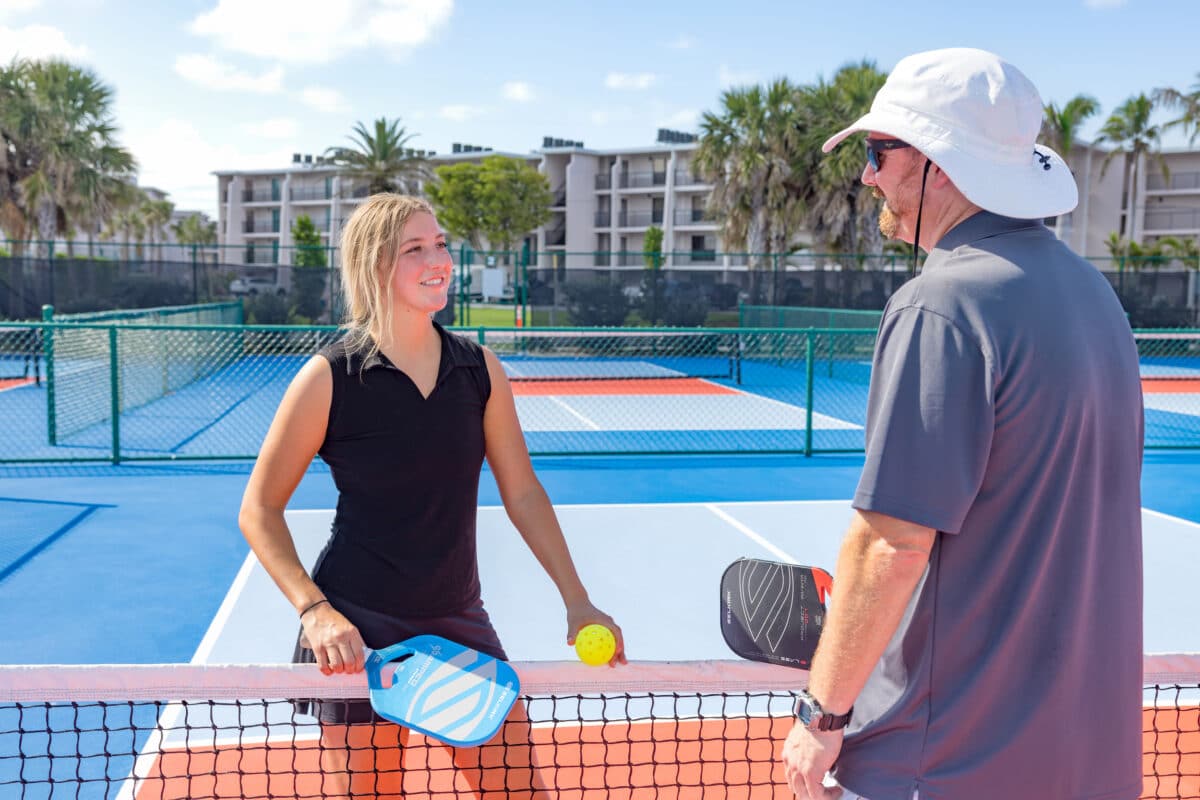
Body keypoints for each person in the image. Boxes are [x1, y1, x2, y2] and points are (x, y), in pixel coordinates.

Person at [781, 48, 1144, 800]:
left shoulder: (939, 305)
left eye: (880, 153)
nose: (868, 175)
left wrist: (821, 714)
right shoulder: (1094, 296)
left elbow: (891, 544)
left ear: (938, 166)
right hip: (1085, 759)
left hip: (945, 761)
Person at [239, 193, 625, 798]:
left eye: (440, 243)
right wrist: (316, 611)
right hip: (357, 629)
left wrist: (578, 601)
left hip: (458, 619)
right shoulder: (328, 377)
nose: (438, 258)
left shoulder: (478, 369)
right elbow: (258, 509)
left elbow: (522, 492)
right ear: (375, 267)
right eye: (414, 248)